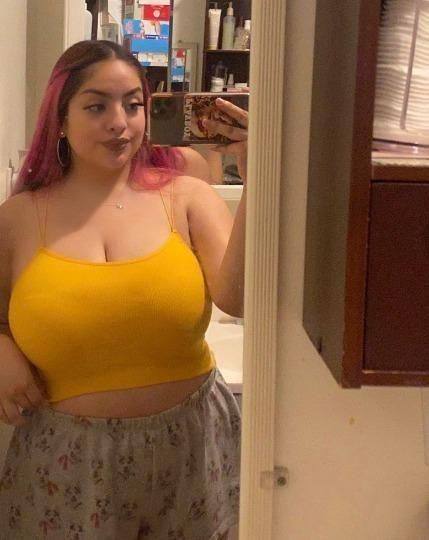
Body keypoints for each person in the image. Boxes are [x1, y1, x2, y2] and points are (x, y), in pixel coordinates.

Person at [0, 40, 248, 539]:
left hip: (194, 447)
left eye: (133, 105)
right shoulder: (19, 217)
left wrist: (254, 170)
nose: (120, 123)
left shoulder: (186, 196)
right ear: (60, 119)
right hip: (66, 461)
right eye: (97, 107)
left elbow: (237, 297)